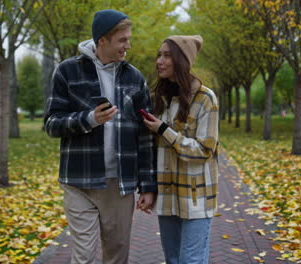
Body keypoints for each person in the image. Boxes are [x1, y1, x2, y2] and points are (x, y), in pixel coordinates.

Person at [44, 9, 157, 264]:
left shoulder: (134, 77)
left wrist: (148, 185)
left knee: (117, 256)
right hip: (79, 180)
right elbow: (52, 124)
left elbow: (145, 136)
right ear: (102, 41)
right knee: (83, 256)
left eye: (128, 39)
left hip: (119, 183)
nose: (128, 45)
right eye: (122, 40)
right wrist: (90, 119)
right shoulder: (67, 71)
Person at [142, 35, 219, 264]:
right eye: (159, 55)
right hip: (167, 196)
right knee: (173, 259)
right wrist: (148, 187)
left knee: (190, 260)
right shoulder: (159, 99)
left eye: (167, 55)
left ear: (181, 60)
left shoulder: (206, 99)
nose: (159, 61)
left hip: (196, 197)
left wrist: (164, 130)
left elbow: (205, 150)